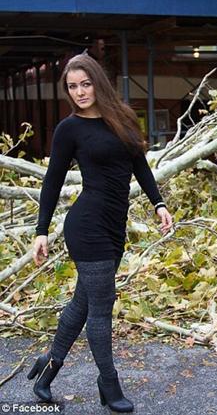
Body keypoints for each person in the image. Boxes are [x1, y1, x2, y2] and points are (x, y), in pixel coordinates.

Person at [28, 53, 173, 413]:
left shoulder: (122, 117)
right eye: (72, 87)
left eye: (85, 83)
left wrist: (159, 203)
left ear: (98, 82)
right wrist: (41, 230)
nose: (79, 92)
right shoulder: (69, 129)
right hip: (87, 226)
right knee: (101, 308)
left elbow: (139, 164)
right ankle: (109, 385)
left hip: (114, 226)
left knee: (83, 303)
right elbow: (52, 181)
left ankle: (47, 370)